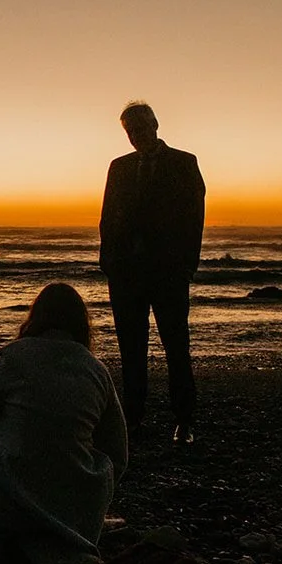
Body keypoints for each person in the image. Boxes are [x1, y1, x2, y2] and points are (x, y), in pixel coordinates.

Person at [0, 283, 128, 564]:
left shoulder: (13, 359)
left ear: (36, 318)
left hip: (10, 504)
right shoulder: (97, 371)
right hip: (78, 512)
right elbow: (118, 454)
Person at [99, 101, 206, 445]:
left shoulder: (184, 163)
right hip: (126, 274)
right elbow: (107, 218)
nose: (137, 137)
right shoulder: (119, 167)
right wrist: (109, 263)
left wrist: (187, 265)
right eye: (131, 132)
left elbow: (195, 218)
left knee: (177, 346)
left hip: (168, 272)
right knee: (131, 349)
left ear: (156, 125)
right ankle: (132, 419)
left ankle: (184, 420)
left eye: (142, 129)